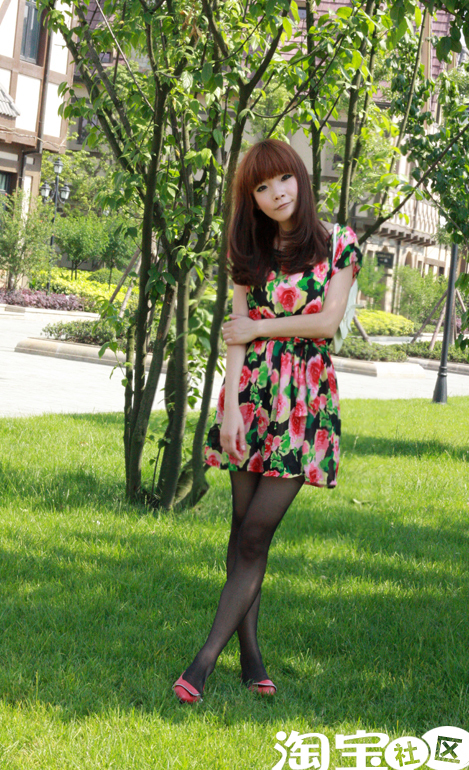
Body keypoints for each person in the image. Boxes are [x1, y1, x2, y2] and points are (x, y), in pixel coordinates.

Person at [173, 139, 362, 703]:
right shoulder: (249, 247)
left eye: (283, 179)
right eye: (261, 187)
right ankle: (251, 658)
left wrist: (261, 328)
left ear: (300, 178)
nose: (276, 193)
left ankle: (202, 662)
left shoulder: (339, 243)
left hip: (303, 401)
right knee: (241, 526)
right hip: (252, 395)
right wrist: (230, 408)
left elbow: (326, 323)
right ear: (251, 199)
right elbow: (235, 334)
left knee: (257, 530)